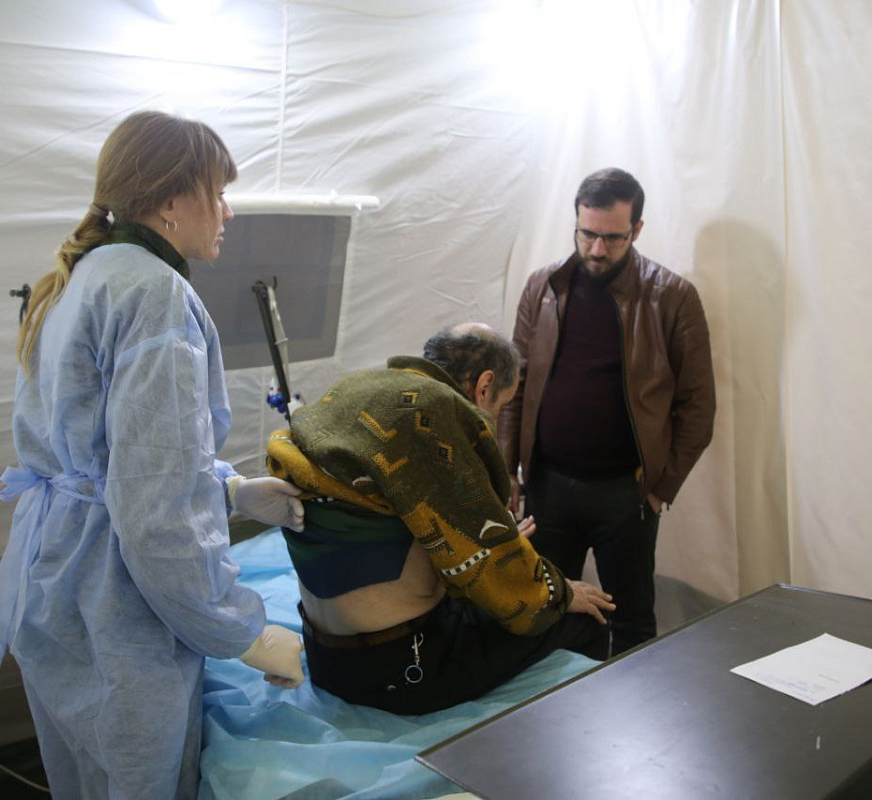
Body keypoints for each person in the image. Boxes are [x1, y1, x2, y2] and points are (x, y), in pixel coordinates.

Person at [0, 110, 306, 800]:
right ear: (171, 201)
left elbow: (108, 453)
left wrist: (229, 490)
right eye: (219, 193)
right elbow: (156, 514)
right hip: (115, 602)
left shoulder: (82, 276)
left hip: (57, 576)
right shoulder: (156, 295)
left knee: (83, 776)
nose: (227, 212)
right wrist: (242, 631)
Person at [264, 323, 614, 715]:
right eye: (500, 406)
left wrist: (493, 539)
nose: (495, 417)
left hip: (325, 657)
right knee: (589, 620)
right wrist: (559, 591)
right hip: (399, 668)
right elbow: (500, 579)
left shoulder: (357, 387)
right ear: (484, 386)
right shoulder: (433, 413)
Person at [497, 167, 716, 655]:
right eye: (587, 234)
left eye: (612, 238)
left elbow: (699, 408)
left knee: (632, 624)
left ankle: (631, 705)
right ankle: (558, 703)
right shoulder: (542, 286)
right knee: (544, 612)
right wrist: (506, 469)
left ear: (637, 230)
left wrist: (659, 491)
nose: (597, 249)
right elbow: (515, 385)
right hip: (547, 487)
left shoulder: (672, 297)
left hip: (627, 495)